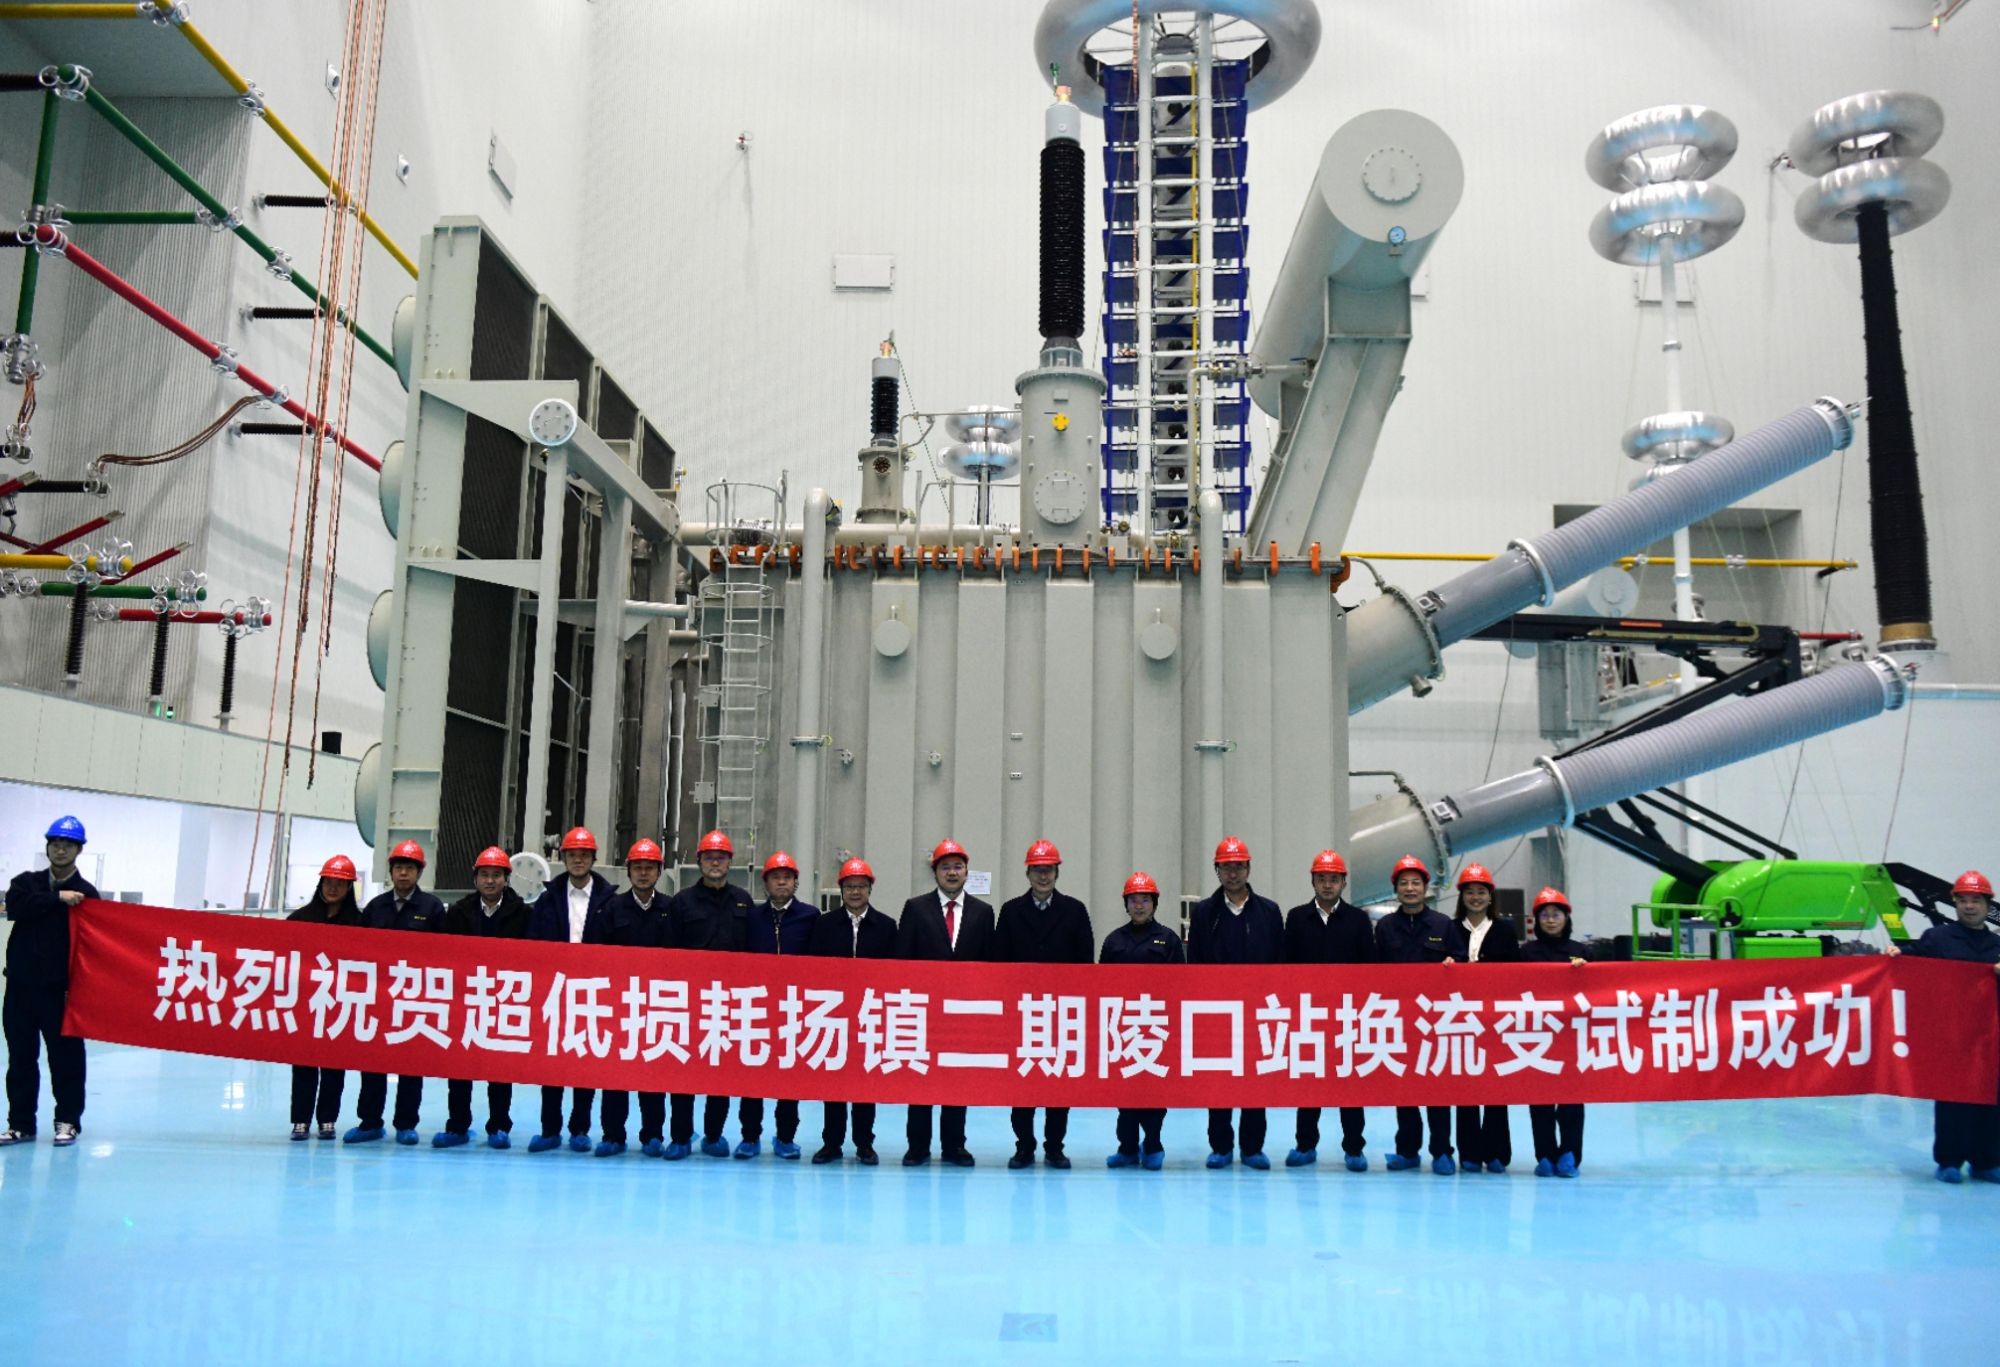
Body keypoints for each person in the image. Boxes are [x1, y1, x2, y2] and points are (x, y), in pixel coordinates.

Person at [1885, 870, 2000, 1184]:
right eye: (1963, 901)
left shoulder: (1997, 945)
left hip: (1989, 1039)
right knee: (1953, 1100)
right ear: (1955, 904)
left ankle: (1986, 1161)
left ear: (1987, 905)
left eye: (1975, 900)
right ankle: (1949, 1161)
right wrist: (1896, 955)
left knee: (1992, 1100)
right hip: (1951, 1036)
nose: (1969, 906)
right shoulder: (1938, 939)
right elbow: (1911, 964)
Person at [994, 838, 1095, 1170]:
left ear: (1056, 872)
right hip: (1022, 1012)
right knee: (1022, 1084)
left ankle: (1054, 1148)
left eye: (1048, 869)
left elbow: (1085, 962)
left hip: (1061, 1012)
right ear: (1027, 873)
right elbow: (999, 962)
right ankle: (1024, 1146)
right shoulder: (1010, 911)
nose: (1043, 876)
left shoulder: (1075, 911)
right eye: (1037, 870)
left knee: (1057, 1086)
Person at [1, 816, 100, 1149]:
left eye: (68, 845)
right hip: (20, 989)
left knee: (66, 1059)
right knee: (20, 1059)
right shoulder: (25, 883)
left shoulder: (87, 895)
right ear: (47, 847)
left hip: (62, 993)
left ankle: (68, 1121)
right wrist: (57, 898)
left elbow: (95, 944)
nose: (61, 850)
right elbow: (15, 907)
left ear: (78, 850)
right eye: (56, 844)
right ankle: (20, 1124)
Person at [897, 838, 996, 1167]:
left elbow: (989, 965)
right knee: (920, 1079)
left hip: (963, 1012)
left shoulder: (983, 913)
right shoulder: (916, 908)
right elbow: (903, 960)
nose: (952, 873)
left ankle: (954, 1146)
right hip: (923, 1012)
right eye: (945, 867)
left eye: (957, 867)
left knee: (957, 1079)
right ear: (935, 872)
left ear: (967, 871)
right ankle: (918, 1146)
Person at [1187, 835, 1284, 1170]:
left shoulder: (1269, 912)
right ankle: (1221, 1146)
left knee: (1255, 1081)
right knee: (1220, 1081)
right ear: (1217, 870)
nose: (1233, 873)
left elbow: (1280, 961)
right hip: (1218, 1012)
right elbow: (1195, 961)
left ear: (1248, 869)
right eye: (1226, 867)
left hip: (1258, 1011)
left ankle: (1253, 1148)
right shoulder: (1204, 913)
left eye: (1238, 866)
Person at [346, 840, 447, 1146]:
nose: (403, 873)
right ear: (390, 872)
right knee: (372, 1062)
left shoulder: (432, 909)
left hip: (414, 999)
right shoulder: (375, 908)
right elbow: (359, 952)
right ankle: (370, 1122)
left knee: (410, 1064)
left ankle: (406, 1124)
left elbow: (444, 956)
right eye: (399, 868)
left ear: (419, 872)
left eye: (409, 868)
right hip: (377, 999)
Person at [1281, 848, 1375, 1171]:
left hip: (1348, 1016)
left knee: (1350, 1086)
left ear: (1343, 883)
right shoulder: (1297, 918)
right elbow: (1286, 967)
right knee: (1309, 1084)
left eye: (1333, 879)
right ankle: (1305, 1145)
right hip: (1308, 1016)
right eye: (1321, 878)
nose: (1327, 884)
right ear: (1313, 881)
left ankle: (1354, 1148)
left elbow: (1369, 969)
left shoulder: (1359, 921)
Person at [525, 826, 616, 1153]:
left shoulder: (608, 901)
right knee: (552, 1064)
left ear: (593, 858)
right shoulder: (547, 900)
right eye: (572, 855)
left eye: (584, 855)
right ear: (563, 858)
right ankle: (550, 1130)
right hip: (554, 992)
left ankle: (580, 1129)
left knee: (584, 1063)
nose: (578, 860)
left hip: (592, 993)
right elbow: (533, 945)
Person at [435, 846, 532, 1150]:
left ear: (506, 878)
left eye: (496, 875)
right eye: (485, 875)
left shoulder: (523, 915)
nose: (490, 881)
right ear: (475, 878)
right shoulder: (459, 912)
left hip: (504, 1000)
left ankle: (499, 1125)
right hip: (464, 1000)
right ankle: (457, 1126)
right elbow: (444, 954)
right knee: (459, 1066)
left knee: (499, 1067)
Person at [663, 828, 750, 1159]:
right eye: (710, 857)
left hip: (727, 1003)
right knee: (683, 1072)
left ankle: (714, 1135)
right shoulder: (682, 902)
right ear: (700, 862)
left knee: (720, 1073)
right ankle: (681, 1137)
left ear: (730, 862)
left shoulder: (742, 901)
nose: (715, 863)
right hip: (688, 1002)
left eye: (721, 857)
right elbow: (670, 952)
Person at [587, 839, 672, 1158]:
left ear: (659, 872)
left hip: (658, 1005)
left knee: (654, 1072)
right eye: (638, 867)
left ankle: (653, 1135)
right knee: (616, 1072)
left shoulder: (671, 910)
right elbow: (595, 956)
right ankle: (613, 1135)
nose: (643, 873)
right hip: (618, 1006)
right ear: (629, 871)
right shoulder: (611, 909)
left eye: (649, 867)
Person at [808, 858, 897, 1165]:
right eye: (849, 887)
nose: (855, 892)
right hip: (833, 1014)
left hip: (870, 1015)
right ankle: (831, 1143)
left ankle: (864, 1143)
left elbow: (894, 972)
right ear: (841, 889)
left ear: (870, 889)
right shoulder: (825, 925)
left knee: (865, 1082)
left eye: (861, 886)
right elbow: (813, 969)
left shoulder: (886, 926)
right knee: (833, 1081)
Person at [1375, 854, 1456, 1174]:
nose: (1410, 888)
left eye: (1416, 883)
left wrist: (1453, 964)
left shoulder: (1443, 925)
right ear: (1396, 889)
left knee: (1437, 1090)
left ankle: (1442, 1152)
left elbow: (1461, 964)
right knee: (1405, 1089)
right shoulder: (1385, 927)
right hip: (1400, 1022)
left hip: (1436, 1022)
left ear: (1426, 887)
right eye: (1404, 883)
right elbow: (1373, 973)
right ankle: (1407, 1151)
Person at [738, 849, 817, 1160]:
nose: (781, 882)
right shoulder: (752, 917)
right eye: (775, 878)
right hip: (756, 1007)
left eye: (787, 877)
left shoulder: (810, 917)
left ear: (795, 882)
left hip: (794, 1009)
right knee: (752, 1076)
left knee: (788, 1077)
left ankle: (785, 1137)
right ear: (766, 883)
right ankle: (749, 1137)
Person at [1101, 872, 1182, 1170]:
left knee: (1154, 1091)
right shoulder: (1114, 941)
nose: (1139, 906)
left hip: (1156, 1027)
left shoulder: (1168, 939)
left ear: (1154, 903)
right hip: (1122, 1027)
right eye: (1133, 900)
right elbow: (1099, 985)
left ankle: (1153, 1144)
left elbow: (1181, 984)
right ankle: (1127, 1148)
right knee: (1125, 1092)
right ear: (1126, 904)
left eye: (1145, 900)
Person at [1518, 886, 1598, 1178]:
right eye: (1545, 916)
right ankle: (1544, 1155)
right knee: (1540, 1099)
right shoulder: (1526, 953)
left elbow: (1601, 990)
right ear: (1537, 921)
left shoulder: (1582, 952)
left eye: (1556, 914)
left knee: (1571, 1099)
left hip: (1571, 1036)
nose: (1551, 920)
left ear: (1566, 918)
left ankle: (1570, 1155)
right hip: (1537, 1035)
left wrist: (1586, 971)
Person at [1446, 863, 1518, 1174]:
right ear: (1461, 897)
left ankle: (1497, 1152)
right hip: (1460, 1019)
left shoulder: (1504, 931)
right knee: (1466, 1087)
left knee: (1496, 1087)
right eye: (1470, 892)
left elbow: (1518, 973)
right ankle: (1470, 1153)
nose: (1475, 897)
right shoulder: (1450, 929)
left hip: (1496, 1020)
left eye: (1481, 892)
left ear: (1491, 897)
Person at [287, 855, 363, 1141]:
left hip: (340, 1005)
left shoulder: (360, 924)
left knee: (334, 1066)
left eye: (340, 883)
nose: (333, 888)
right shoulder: (299, 920)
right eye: (329, 882)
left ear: (349, 887)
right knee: (303, 1064)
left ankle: (327, 1119)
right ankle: (300, 1120)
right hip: (306, 1003)